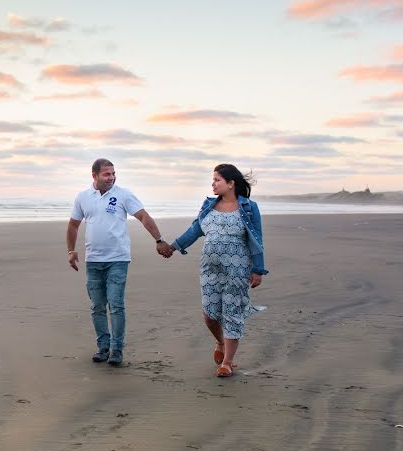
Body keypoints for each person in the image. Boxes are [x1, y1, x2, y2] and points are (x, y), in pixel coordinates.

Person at [157, 164, 269, 377]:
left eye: (217, 179)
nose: (213, 183)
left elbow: (257, 239)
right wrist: (173, 246)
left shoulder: (248, 207)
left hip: (237, 269)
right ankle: (220, 342)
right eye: (213, 179)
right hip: (210, 268)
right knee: (210, 314)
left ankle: (227, 362)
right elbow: (195, 230)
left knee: (232, 313)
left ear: (231, 183)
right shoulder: (209, 205)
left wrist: (258, 269)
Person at [67, 158, 168, 367]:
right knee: (97, 306)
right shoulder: (83, 197)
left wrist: (159, 240)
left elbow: (143, 216)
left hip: (118, 259)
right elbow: (74, 225)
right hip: (93, 260)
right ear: (94, 176)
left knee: (116, 305)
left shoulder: (123, 194)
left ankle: (117, 349)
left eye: (113, 173)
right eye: (106, 174)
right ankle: (103, 347)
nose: (111, 177)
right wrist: (71, 250)